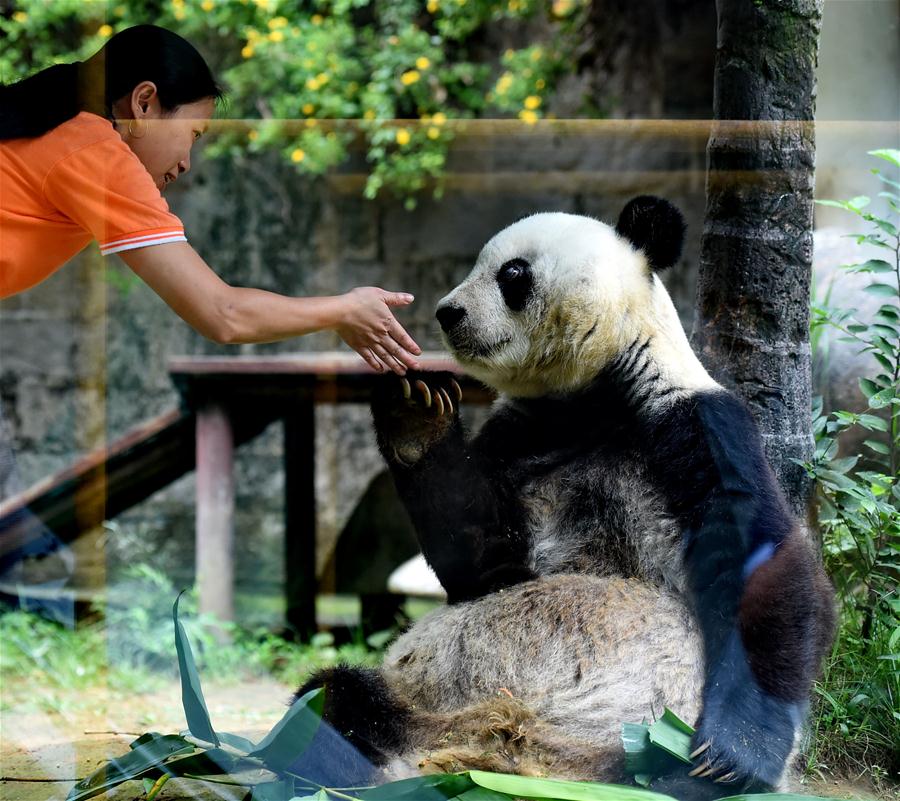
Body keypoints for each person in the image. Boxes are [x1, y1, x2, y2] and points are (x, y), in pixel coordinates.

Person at [0, 24, 421, 375]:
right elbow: (223, 314)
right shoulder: (94, 149)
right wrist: (343, 310)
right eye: (192, 136)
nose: (186, 162)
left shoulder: (63, 130)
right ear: (143, 103)